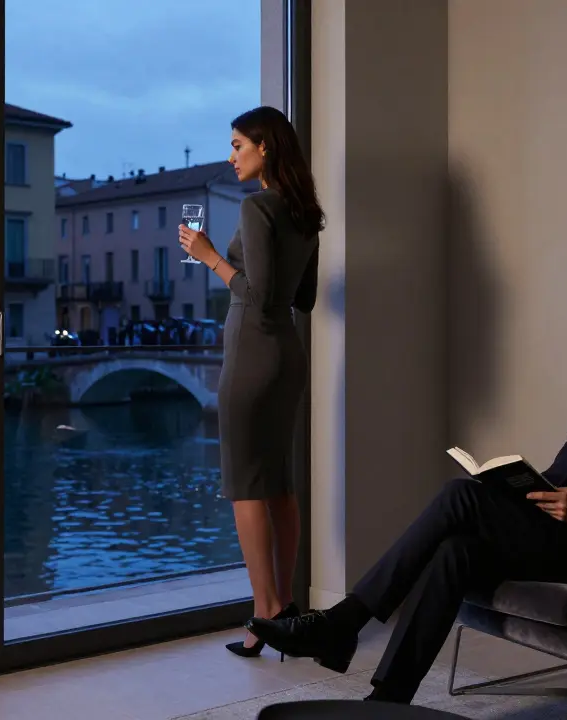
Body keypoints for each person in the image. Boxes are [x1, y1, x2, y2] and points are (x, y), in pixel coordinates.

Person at [247, 293, 567, 702]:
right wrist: (518, 485)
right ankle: (389, 696)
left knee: (460, 496)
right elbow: (562, 476)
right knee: (455, 550)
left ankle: (342, 622)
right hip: (554, 528)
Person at [178, 105, 323, 659]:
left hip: (252, 355)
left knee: (245, 484)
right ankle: (283, 608)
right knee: (279, 485)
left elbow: (257, 296)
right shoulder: (306, 213)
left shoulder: (258, 206)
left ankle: (265, 615)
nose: (231, 154)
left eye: (238, 144)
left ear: (265, 147)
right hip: (288, 354)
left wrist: (210, 255)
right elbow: (301, 299)